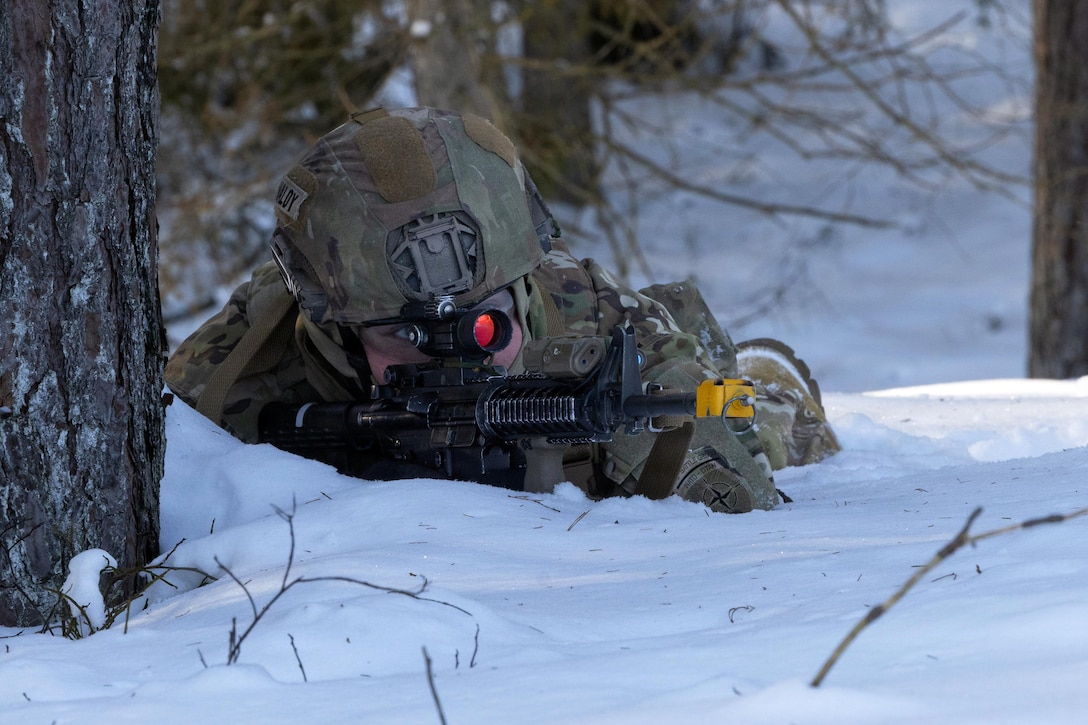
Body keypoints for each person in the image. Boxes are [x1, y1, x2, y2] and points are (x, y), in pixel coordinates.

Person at [165, 106, 840, 514]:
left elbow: (746, 515)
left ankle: (767, 371)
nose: (456, 353)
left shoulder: (595, 322)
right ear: (333, 329)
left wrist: (649, 449)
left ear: (518, 286)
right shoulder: (232, 373)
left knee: (767, 423)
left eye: (486, 320)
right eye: (405, 335)